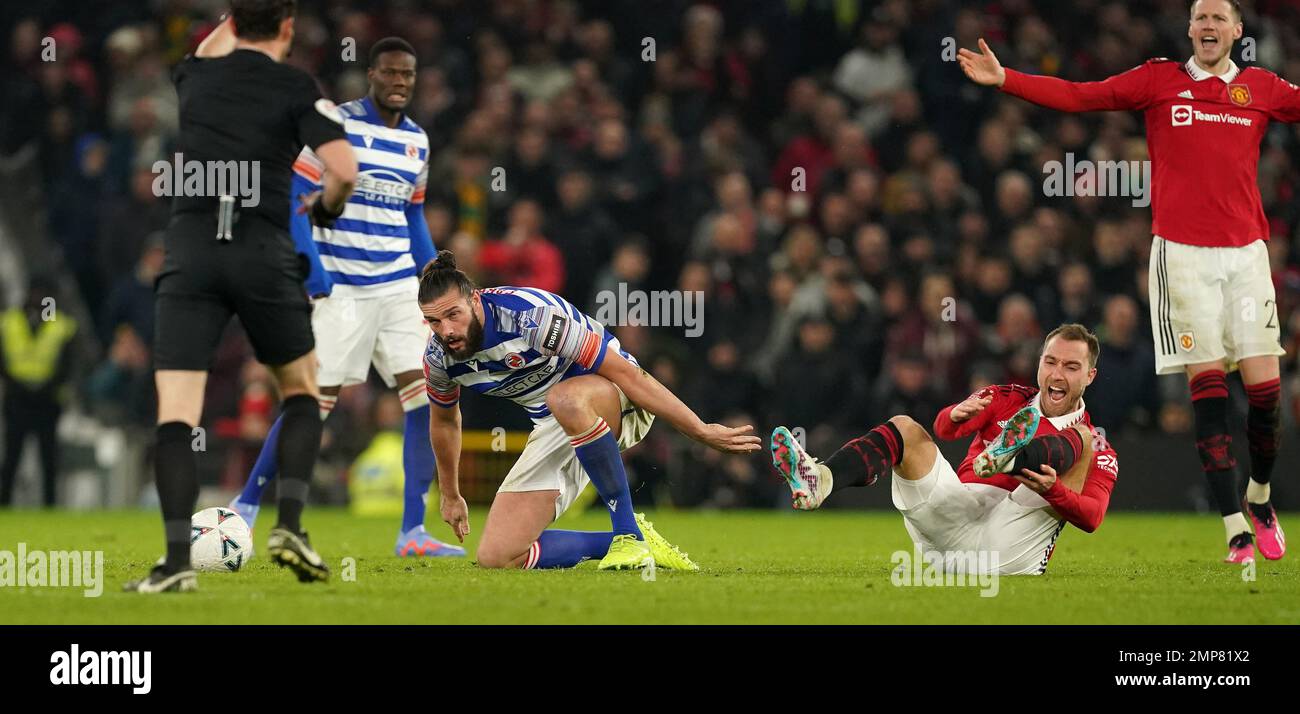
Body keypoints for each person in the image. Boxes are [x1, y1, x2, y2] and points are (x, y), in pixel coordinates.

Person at [958, 0, 1295, 562]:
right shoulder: (1159, 79)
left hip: (1245, 257)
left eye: (1219, 18)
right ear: (1190, 29)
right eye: (1200, 17)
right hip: (1182, 258)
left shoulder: (1260, 87)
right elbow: (1081, 95)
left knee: (1265, 393)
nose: (1208, 26)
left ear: (1238, 30)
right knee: (1207, 389)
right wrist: (1006, 79)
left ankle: (1259, 496)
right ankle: (1234, 523)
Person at [125, 0, 357, 593]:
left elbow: (212, 44)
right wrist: (324, 209)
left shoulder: (195, 74)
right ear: (287, 27)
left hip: (192, 253)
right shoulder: (297, 87)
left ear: (230, 23)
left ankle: (176, 564)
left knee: (175, 414)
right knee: (302, 393)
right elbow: (344, 170)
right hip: (262, 254)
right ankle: (291, 527)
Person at [227, 36, 464, 558]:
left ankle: (412, 532)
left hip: (399, 285)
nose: (399, 83)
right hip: (342, 284)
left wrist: (432, 273)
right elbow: (295, 195)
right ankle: (244, 506)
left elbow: (412, 212)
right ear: (372, 74)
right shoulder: (336, 124)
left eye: (408, 75)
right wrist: (312, 269)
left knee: (428, 397)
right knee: (311, 402)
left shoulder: (418, 141)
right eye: (390, 73)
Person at [419, 251, 761, 570]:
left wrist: (699, 429)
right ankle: (634, 543)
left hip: (617, 397)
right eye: (434, 321)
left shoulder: (529, 318)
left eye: (454, 315)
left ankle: (626, 531)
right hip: (556, 423)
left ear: (475, 299)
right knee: (499, 556)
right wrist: (450, 494)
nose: (446, 331)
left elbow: (627, 374)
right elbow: (445, 422)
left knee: (564, 399)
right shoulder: (439, 359)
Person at [772, 324, 1119, 576]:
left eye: (1071, 367)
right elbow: (944, 430)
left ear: (1090, 375)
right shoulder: (1006, 397)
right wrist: (953, 414)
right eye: (1050, 362)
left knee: (1084, 439)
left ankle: (1012, 458)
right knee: (905, 427)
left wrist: (1054, 490)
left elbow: (1091, 518)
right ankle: (821, 479)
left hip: (1008, 548)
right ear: (1039, 362)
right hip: (953, 525)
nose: (1057, 374)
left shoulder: (1099, 445)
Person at [0, 278, 77, 507]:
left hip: (47, 400)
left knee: (48, 457)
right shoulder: (9, 321)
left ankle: (49, 505)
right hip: (17, 398)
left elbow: (68, 365)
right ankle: (4, 503)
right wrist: (18, 385)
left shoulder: (61, 325)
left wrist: (45, 387)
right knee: (12, 455)